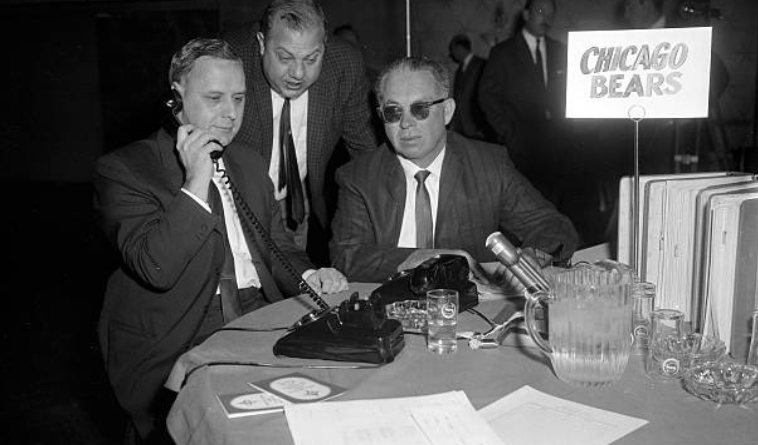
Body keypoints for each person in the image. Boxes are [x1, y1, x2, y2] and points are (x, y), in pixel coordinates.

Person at [93, 37, 348, 443]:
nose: (230, 114)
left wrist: (309, 276)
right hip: (181, 330)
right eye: (214, 98)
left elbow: (279, 245)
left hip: (258, 315)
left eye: (239, 99)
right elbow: (156, 267)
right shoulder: (126, 169)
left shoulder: (247, 162)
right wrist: (196, 180)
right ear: (175, 99)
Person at [329, 56, 578, 284]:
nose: (405, 123)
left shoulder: (489, 165)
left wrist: (532, 258)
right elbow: (346, 256)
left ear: (447, 111)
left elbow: (552, 226)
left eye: (420, 109)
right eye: (393, 112)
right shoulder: (358, 177)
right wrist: (420, 259)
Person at [224, 0, 379, 266]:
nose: (298, 73)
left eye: (311, 59)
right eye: (285, 58)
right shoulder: (230, 61)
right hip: (234, 204)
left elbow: (366, 153)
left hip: (296, 209)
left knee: (293, 282)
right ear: (261, 43)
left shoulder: (344, 65)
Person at [478, 0, 569, 203]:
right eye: (540, 11)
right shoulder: (503, 52)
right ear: (526, 15)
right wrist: (508, 133)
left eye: (551, 14)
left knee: (553, 207)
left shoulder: (560, 50)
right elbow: (487, 96)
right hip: (519, 148)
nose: (546, 18)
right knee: (522, 206)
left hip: (557, 147)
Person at [447, 34, 491, 141]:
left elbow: (486, 97)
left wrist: (483, 126)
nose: (452, 55)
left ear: (459, 48)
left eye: (452, 51)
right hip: (462, 127)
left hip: (477, 127)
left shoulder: (482, 65)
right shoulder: (459, 71)